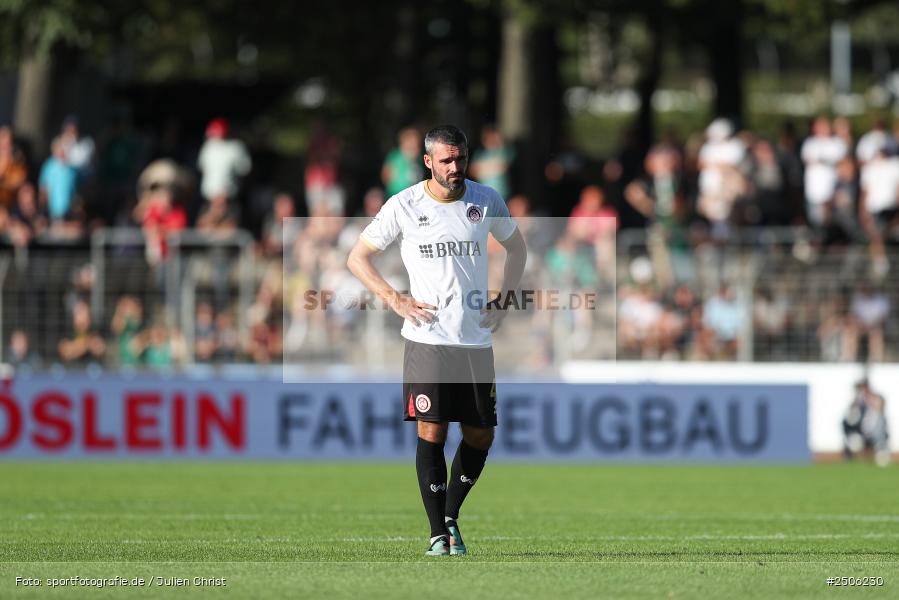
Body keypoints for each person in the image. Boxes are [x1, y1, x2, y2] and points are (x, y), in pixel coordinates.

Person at [347, 125, 526, 557]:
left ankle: (450, 516)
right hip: (427, 338)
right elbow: (357, 258)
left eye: (460, 159)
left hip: (474, 340)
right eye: (445, 160)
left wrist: (503, 300)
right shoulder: (404, 205)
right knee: (432, 429)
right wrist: (394, 299)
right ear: (428, 161)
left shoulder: (485, 200)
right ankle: (437, 534)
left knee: (481, 435)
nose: (454, 168)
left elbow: (517, 249)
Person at [843, 379, 890, 466]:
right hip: (863, 435)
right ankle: (857, 462)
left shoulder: (877, 404)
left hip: (877, 437)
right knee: (854, 442)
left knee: (882, 459)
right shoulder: (859, 405)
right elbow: (850, 420)